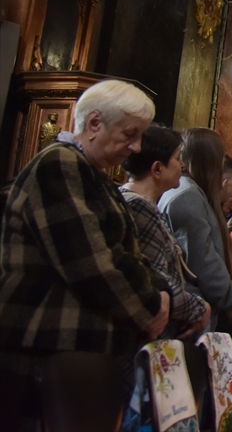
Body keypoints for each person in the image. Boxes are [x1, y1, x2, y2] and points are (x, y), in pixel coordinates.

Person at [0, 80, 170, 432]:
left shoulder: (95, 176)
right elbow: (92, 265)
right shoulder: (59, 164)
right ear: (94, 124)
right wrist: (151, 309)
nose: (136, 147)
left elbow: (132, 256)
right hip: (46, 353)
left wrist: (159, 295)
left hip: (79, 349)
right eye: (130, 134)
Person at [120, 124, 211, 340]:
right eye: (178, 157)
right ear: (157, 169)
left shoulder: (136, 202)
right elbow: (158, 284)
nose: (182, 164)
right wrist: (200, 308)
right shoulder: (139, 207)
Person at [160, 128, 232, 333]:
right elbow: (203, 259)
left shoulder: (192, 193)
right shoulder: (187, 196)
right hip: (193, 313)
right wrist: (231, 301)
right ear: (209, 159)